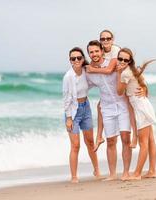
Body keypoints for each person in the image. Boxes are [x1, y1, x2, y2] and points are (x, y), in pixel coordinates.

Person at [86, 40, 131, 181]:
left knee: (125, 138)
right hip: (106, 107)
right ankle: (112, 174)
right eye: (91, 52)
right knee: (111, 141)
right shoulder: (88, 73)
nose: (94, 54)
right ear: (89, 54)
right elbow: (82, 88)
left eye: (96, 51)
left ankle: (125, 173)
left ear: (101, 51)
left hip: (123, 104)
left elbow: (130, 72)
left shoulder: (113, 62)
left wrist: (141, 88)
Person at [87, 30, 138, 151]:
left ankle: (135, 135)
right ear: (100, 41)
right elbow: (95, 62)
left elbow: (110, 69)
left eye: (108, 38)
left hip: (123, 83)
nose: (105, 41)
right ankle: (99, 136)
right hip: (113, 90)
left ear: (112, 39)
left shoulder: (116, 50)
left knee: (128, 104)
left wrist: (92, 70)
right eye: (103, 39)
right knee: (100, 105)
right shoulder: (100, 51)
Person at [116, 47, 156, 180]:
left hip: (140, 107)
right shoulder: (133, 71)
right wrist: (145, 90)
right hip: (143, 104)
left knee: (143, 142)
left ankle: (137, 173)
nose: (122, 61)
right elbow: (144, 85)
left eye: (125, 59)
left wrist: (118, 73)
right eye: (120, 58)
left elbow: (119, 92)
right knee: (150, 140)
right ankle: (151, 171)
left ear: (129, 61)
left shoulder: (125, 74)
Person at [62, 47, 100, 183]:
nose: (76, 60)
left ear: (83, 59)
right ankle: (74, 176)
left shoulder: (86, 71)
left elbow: (95, 80)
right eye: (73, 58)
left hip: (86, 108)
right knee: (75, 145)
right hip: (73, 112)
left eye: (79, 58)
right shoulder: (68, 77)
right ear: (70, 61)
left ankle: (97, 170)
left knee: (90, 142)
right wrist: (68, 118)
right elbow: (66, 98)